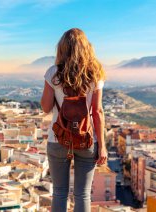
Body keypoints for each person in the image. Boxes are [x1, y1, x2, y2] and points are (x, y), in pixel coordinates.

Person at [41, 28, 107, 212]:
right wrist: (102, 146)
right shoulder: (96, 73)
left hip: (58, 138)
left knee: (60, 193)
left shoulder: (53, 73)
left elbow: (46, 107)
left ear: (62, 48)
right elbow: (98, 112)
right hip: (87, 140)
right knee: (83, 194)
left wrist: (56, 92)